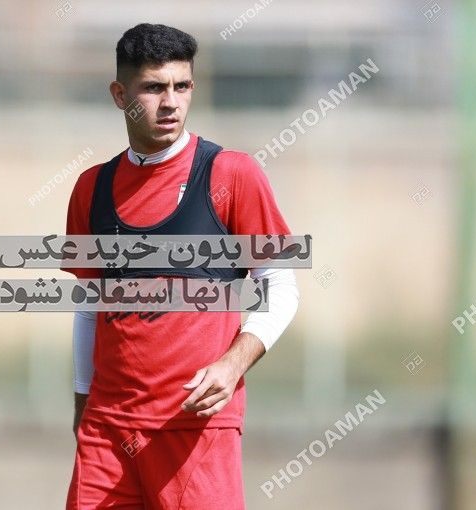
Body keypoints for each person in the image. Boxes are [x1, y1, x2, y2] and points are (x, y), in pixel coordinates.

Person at [62, 23, 301, 510]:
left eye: (182, 85)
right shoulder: (91, 188)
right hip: (107, 432)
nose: (170, 102)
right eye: (153, 88)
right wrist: (83, 405)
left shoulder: (232, 174)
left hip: (195, 429)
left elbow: (280, 285)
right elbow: (89, 308)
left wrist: (232, 365)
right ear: (120, 95)